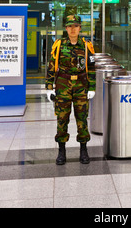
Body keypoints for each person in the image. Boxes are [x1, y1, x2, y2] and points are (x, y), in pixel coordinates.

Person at [46, 14, 96, 165]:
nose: (72, 29)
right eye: (70, 26)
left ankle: (83, 150)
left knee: (82, 119)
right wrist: (49, 87)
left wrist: (92, 87)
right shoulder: (59, 45)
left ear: (80, 28)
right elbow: (51, 67)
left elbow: (92, 68)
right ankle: (61, 151)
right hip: (63, 84)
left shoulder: (87, 46)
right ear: (66, 28)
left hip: (81, 85)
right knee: (62, 119)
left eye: (75, 26)